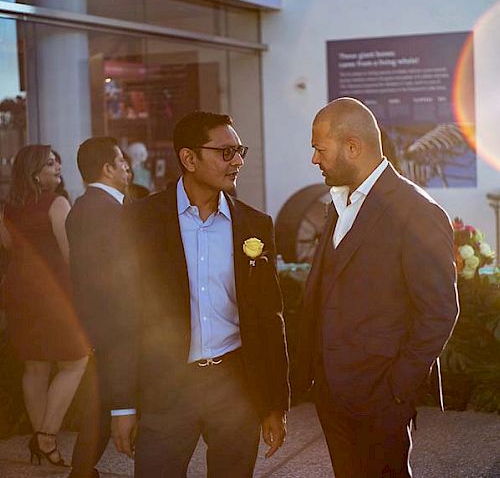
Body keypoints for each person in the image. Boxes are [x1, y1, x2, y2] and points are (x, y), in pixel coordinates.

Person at [110, 111, 290, 477]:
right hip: (167, 390)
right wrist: (122, 406)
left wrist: (275, 404)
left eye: (239, 151)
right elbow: (123, 318)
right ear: (189, 159)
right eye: (225, 152)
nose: (237, 161)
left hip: (236, 387)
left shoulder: (255, 225)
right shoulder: (139, 222)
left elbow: (270, 318)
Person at [295, 98, 459, 477]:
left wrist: (395, 390)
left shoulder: (418, 211)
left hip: (380, 400)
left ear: (353, 146)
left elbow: (439, 312)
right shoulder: (338, 203)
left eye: (320, 149)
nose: (314, 160)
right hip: (331, 396)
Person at [0, 145, 89, 466]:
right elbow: (70, 255)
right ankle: (47, 436)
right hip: (52, 293)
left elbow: (8, 247)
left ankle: (43, 444)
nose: (58, 166)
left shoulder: (8, 208)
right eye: (50, 163)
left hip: (18, 291)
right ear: (34, 172)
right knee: (76, 360)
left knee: (35, 366)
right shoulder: (57, 202)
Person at [65, 137, 130, 478]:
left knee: (101, 403)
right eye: (121, 161)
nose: (127, 167)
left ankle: (82, 470)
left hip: (95, 319)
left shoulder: (81, 207)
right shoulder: (111, 211)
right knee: (114, 400)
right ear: (107, 168)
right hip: (116, 322)